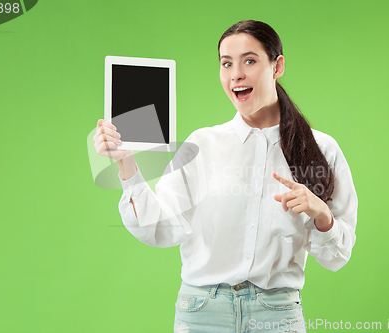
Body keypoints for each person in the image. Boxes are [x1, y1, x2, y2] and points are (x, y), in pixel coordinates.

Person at [94, 20, 357, 333]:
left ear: (277, 66)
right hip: (203, 313)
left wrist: (322, 213)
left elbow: (336, 257)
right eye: (226, 63)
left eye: (249, 60)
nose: (236, 74)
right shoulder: (202, 145)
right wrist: (126, 164)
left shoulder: (321, 149)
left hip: (277, 315)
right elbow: (159, 228)